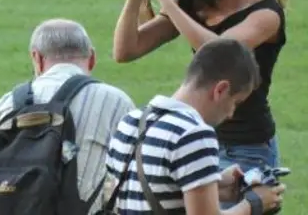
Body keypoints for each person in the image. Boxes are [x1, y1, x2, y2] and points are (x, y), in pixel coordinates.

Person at [112, 0, 289, 177]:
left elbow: (218, 55)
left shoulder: (266, 15)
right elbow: (125, 51)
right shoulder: (197, 3)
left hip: (247, 147)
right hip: (196, 137)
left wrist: (169, 4)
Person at [0, 18, 135, 215]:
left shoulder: (2, 108)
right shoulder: (115, 102)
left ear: (38, 59)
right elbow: (138, 187)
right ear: (91, 58)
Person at [105, 38, 285, 214]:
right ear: (220, 90)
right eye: (235, 103)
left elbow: (132, 193)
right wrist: (254, 204)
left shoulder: (130, 121)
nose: (231, 114)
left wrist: (211, 183)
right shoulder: (194, 134)